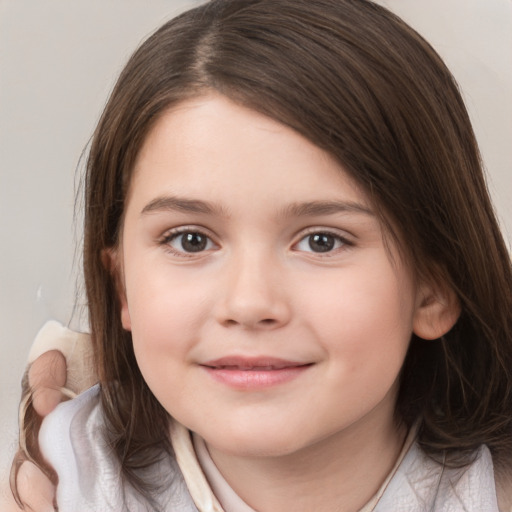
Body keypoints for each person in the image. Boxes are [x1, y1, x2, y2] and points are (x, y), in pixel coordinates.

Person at [10, 0, 512, 510]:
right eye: (191, 240)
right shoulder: (61, 485)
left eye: (322, 240)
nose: (249, 303)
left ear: (434, 289)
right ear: (123, 287)